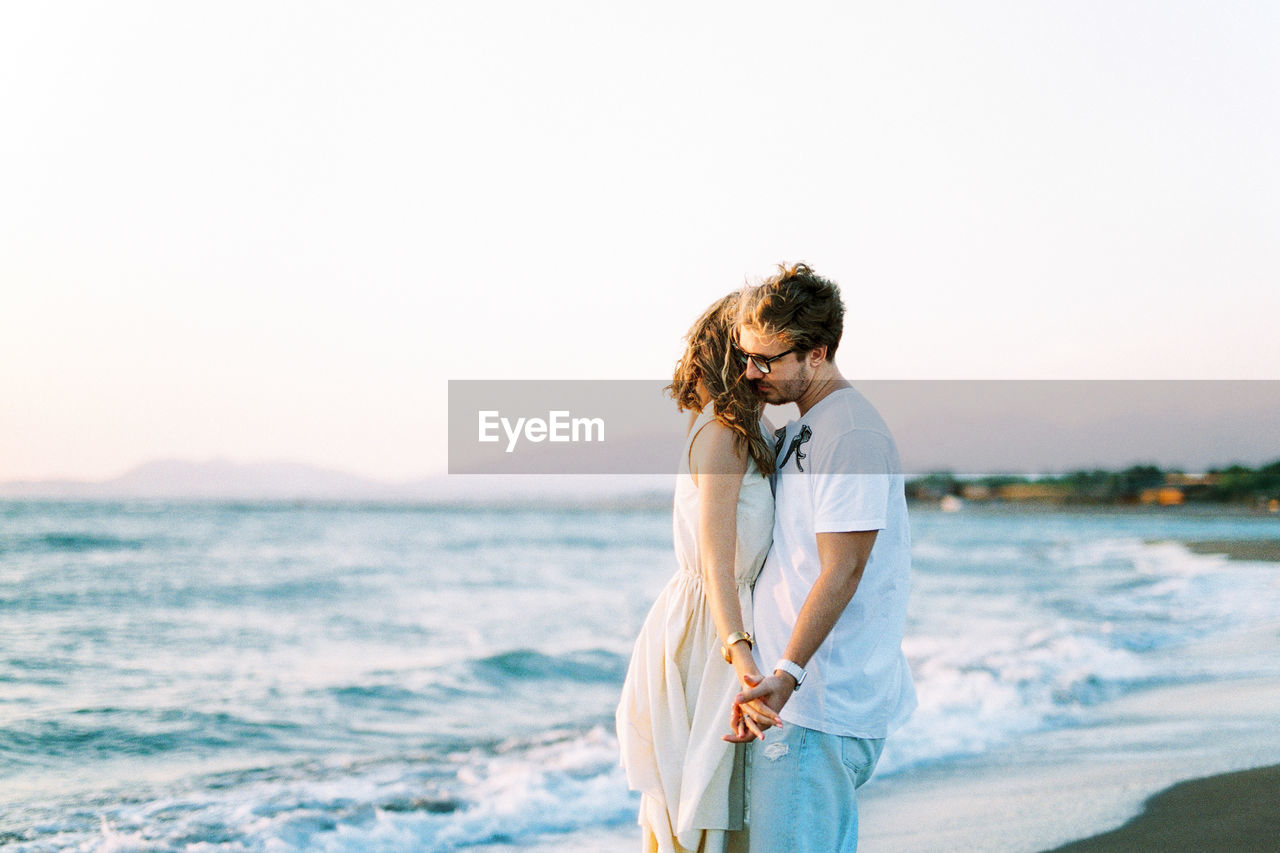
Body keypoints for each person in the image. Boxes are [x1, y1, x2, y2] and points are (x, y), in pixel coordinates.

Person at [729, 263, 917, 853]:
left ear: (819, 353)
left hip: (819, 706)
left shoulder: (850, 434)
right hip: (799, 702)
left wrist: (786, 676)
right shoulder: (809, 426)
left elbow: (844, 569)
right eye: (746, 356)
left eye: (768, 360)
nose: (752, 372)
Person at [616, 292, 776, 853]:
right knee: (705, 803)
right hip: (712, 629)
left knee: (717, 801)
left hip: (721, 620)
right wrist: (741, 650)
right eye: (760, 348)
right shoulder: (724, 431)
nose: (771, 359)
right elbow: (715, 558)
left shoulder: (743, 430)